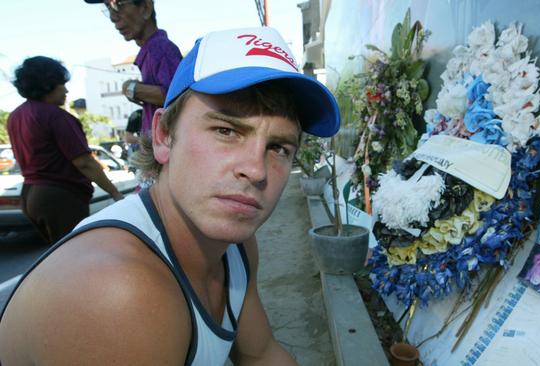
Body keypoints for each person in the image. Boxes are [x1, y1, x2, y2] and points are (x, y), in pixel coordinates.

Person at [0, 27, 340, 365]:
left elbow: (261, 354)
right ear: (163, 136)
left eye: (279, 147)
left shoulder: (236, 248)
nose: (256, 170)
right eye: (226, 130)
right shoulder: (115, 293)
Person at [5, 56, 124, 245]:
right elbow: (84, 162)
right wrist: (115, 193)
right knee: (77, 256)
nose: (66, 90)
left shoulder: (15, 117)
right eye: (62, 84)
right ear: (48, 85)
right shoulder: (56, 116)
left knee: (58, 254)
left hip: (30, 195)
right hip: (59, 195)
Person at [85, 0, 182, 136]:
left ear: (146, 7)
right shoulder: (151, 50)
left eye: (118, 5)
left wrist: (132, 88)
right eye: (107, 7)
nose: (113, 17)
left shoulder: (160, 48)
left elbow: (178, 97)